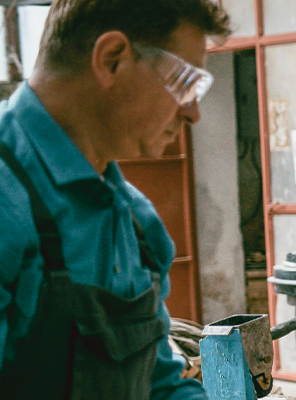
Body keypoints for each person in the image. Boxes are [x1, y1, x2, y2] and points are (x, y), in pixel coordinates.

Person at [0, 0, 229, 398]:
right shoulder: (9, 201)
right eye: (184, 82)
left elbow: (158, 384)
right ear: (111, 59)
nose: (193, 113)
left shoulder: (136, 221)